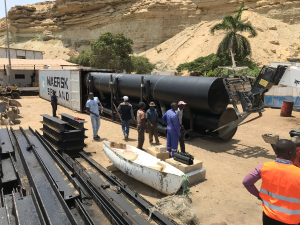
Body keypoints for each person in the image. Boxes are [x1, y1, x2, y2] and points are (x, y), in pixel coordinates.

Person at [243, 139, 300, 225]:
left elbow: (246, 182)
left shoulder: (264, 167)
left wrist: (259, 196)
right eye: (295, 152)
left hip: (269, 216)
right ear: (290, 153)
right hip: (292, 220)